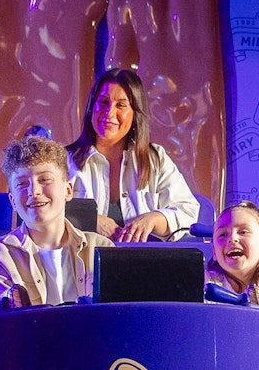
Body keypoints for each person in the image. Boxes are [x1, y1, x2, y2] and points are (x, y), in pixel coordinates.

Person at [66, 68, 200, 242]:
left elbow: (188, 211)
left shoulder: (155, 159)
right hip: (82, 265)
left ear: (135, 114)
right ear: (92, 107)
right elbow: (40, 210)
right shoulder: (64, 160)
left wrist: (153, 219)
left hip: (145, 265)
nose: (109, 113)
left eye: (121, 105)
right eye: (103, 102)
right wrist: (91, 220)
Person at [0, 135, 113, 305]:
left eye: (44, 180)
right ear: (13, 201)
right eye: (22, 184)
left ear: (68, 190)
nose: (33, 191)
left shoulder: (102, 248)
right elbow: (6, 323)